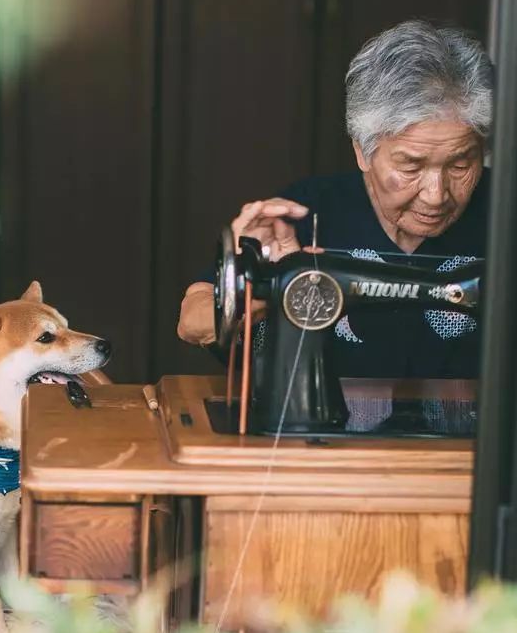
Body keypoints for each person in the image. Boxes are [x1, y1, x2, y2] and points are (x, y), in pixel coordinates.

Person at [177, 19, 493, 378]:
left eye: (460, 164)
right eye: (411, 166)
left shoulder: (514, 217)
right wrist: (267, 283)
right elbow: (192, 323)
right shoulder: (305, 212)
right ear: (363, 152)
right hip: (326, 431)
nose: (436, 196)